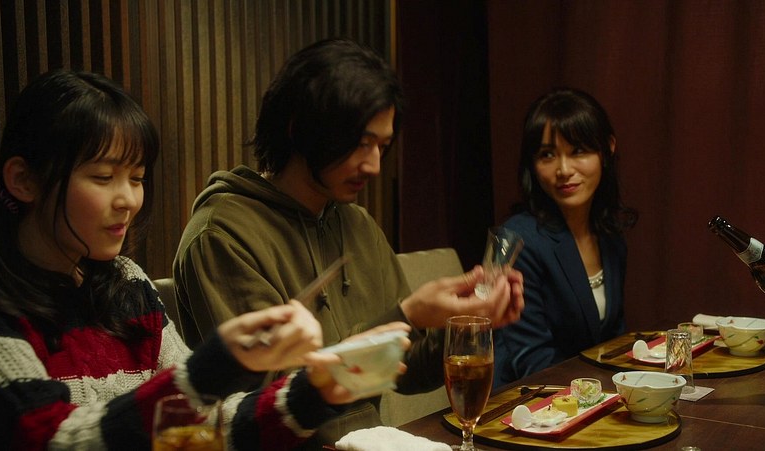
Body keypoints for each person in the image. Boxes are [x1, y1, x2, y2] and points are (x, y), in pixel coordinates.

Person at [0, 69, 411, 451]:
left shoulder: (126, 283)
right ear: (23, 180)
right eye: (103, 177)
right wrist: (212, 369)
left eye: (137, 178)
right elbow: (52, 440)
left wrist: (315, 390)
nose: (128, 200)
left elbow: (202, 423)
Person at [173, 38, 524, 446]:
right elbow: (270, 404)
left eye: (382, 147)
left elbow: (406, 373)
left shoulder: (357, 224)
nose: (374, 165)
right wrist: (408, 314)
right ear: (299, 128)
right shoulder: (222, 235)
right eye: (360, 143)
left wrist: (468, 326)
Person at [492, 88, 638, 387]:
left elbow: (612, 342)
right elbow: (532, 360)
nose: (563, 169)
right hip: (525, 402)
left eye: (578, 151)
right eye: (547, 155)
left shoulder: (610, 235)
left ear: (607, 149)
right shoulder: (518, 240)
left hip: (587, 397)